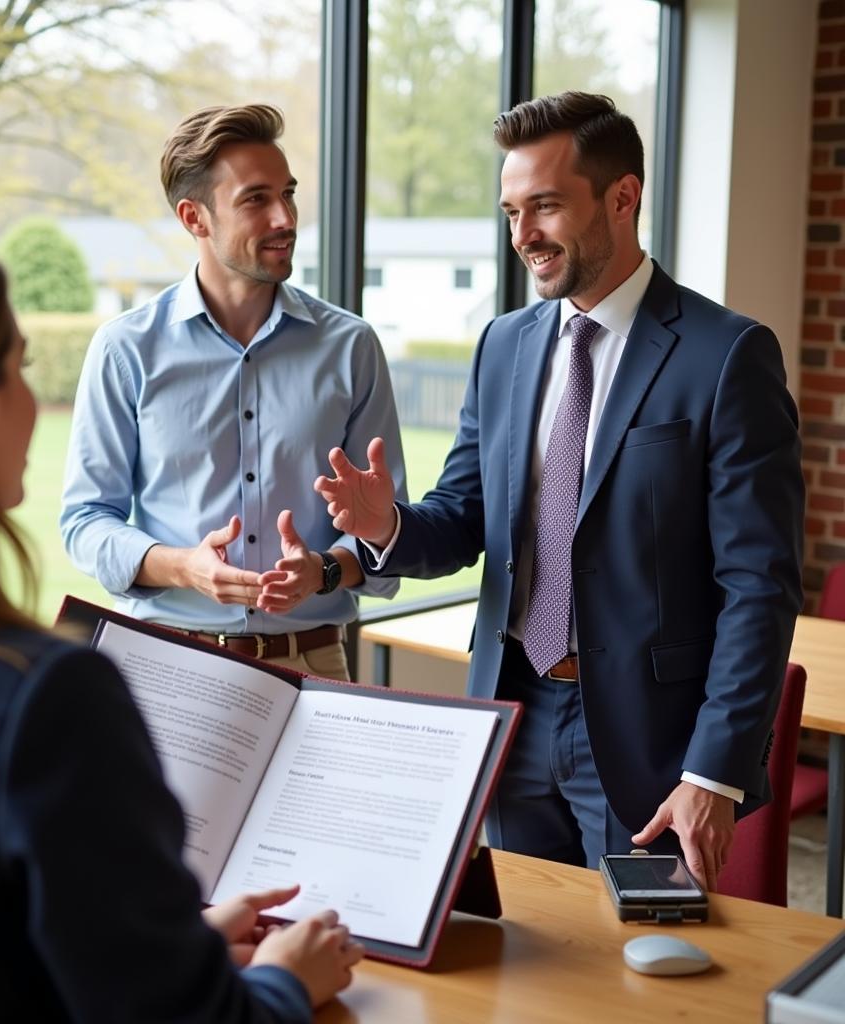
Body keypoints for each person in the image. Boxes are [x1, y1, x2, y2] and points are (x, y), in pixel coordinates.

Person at [0, 222, 363, 1022]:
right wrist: (286, 976)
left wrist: (172, 944)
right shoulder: (43, 701)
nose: (31, 400)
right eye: (20, 367)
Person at [314, 92, 804, 889]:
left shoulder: (727, 355)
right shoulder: (504, 344)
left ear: (622, 196)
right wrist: (389, 526)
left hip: (653, 747)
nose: (523, 236)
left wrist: (714, 772)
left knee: (648, 970)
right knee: (524, 961)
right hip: (511, 718)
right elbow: (466, 518)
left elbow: (758, 586)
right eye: (510, 211)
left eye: (544, 206)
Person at [60, 104, 406, 682]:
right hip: (167, 664)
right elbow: (85, 519)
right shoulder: (126, 348)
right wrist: (183, 569)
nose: (285, 217)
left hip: (316, 663)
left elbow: (381, 530)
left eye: (289, 194)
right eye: (255, 199)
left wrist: (321, 570)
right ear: (195, 218)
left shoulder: (352, 346)